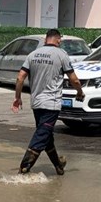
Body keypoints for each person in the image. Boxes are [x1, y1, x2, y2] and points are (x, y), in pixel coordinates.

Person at [12, 29, 85, 175]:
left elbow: (20, 78)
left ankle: (58, 165)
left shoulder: (32, 54)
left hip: (37, 103)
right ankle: (24, 167)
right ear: (58, 40)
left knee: (46, 135)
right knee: (42, 135)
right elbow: (74, 79)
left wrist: (18, 97)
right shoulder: (61, 55)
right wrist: (80, 92)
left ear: (46, 40)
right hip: (51, 104)